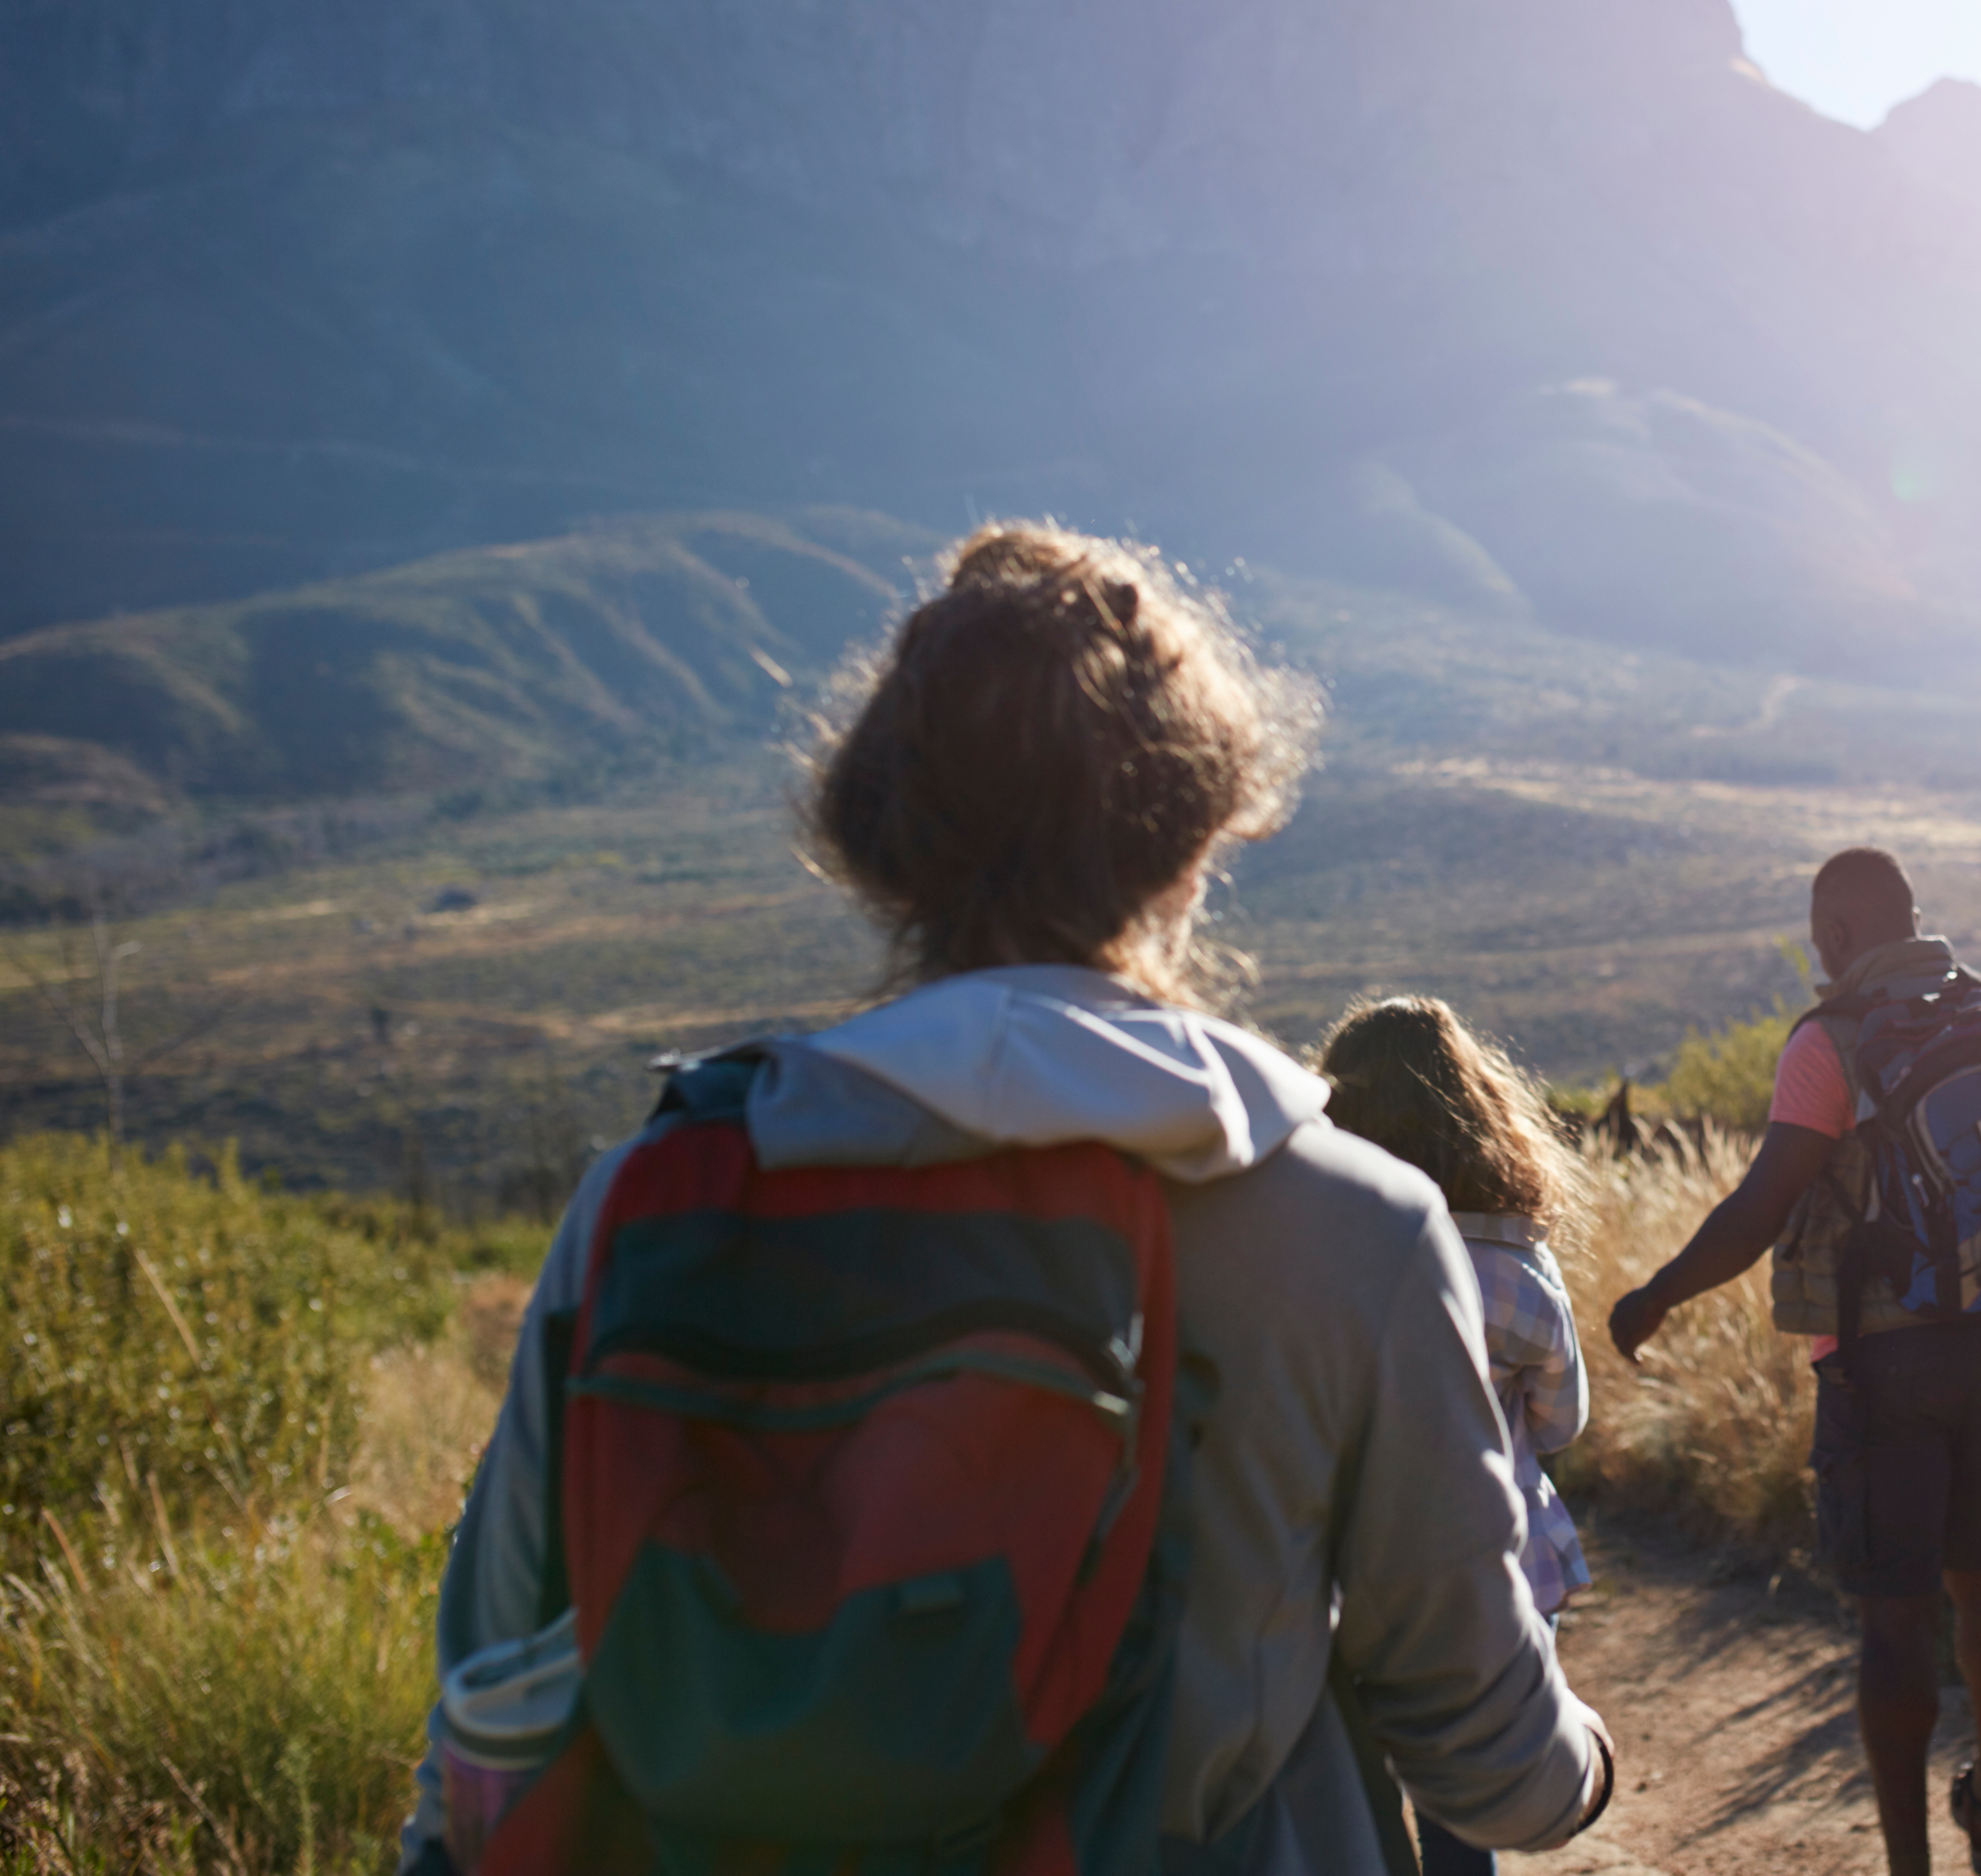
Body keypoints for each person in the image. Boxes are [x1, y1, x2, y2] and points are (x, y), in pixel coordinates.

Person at [400, 523, 1613, 1875]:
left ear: (877, 835)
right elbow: (1482, 1753)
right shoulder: (1350, 1226)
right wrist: (1583, 1779)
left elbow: (497, 1699)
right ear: (1196, 834)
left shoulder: (664, 1189)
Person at [1608, 846, 1981, 1876]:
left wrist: (1656, 1296)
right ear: (1915, 917)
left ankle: (1911, 1863)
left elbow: (1760, 1209)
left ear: (1833, 936)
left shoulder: (1832, 1044)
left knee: (1894, 1617)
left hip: (1882, 1367)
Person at [1318, 995, 1599, 1876]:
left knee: (1362, 1798)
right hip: (1504, 1571)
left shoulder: (1331, 1261)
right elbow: (1563, 1422)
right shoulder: (1518, 1267)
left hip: (1354, 1575)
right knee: (1460, 1813)